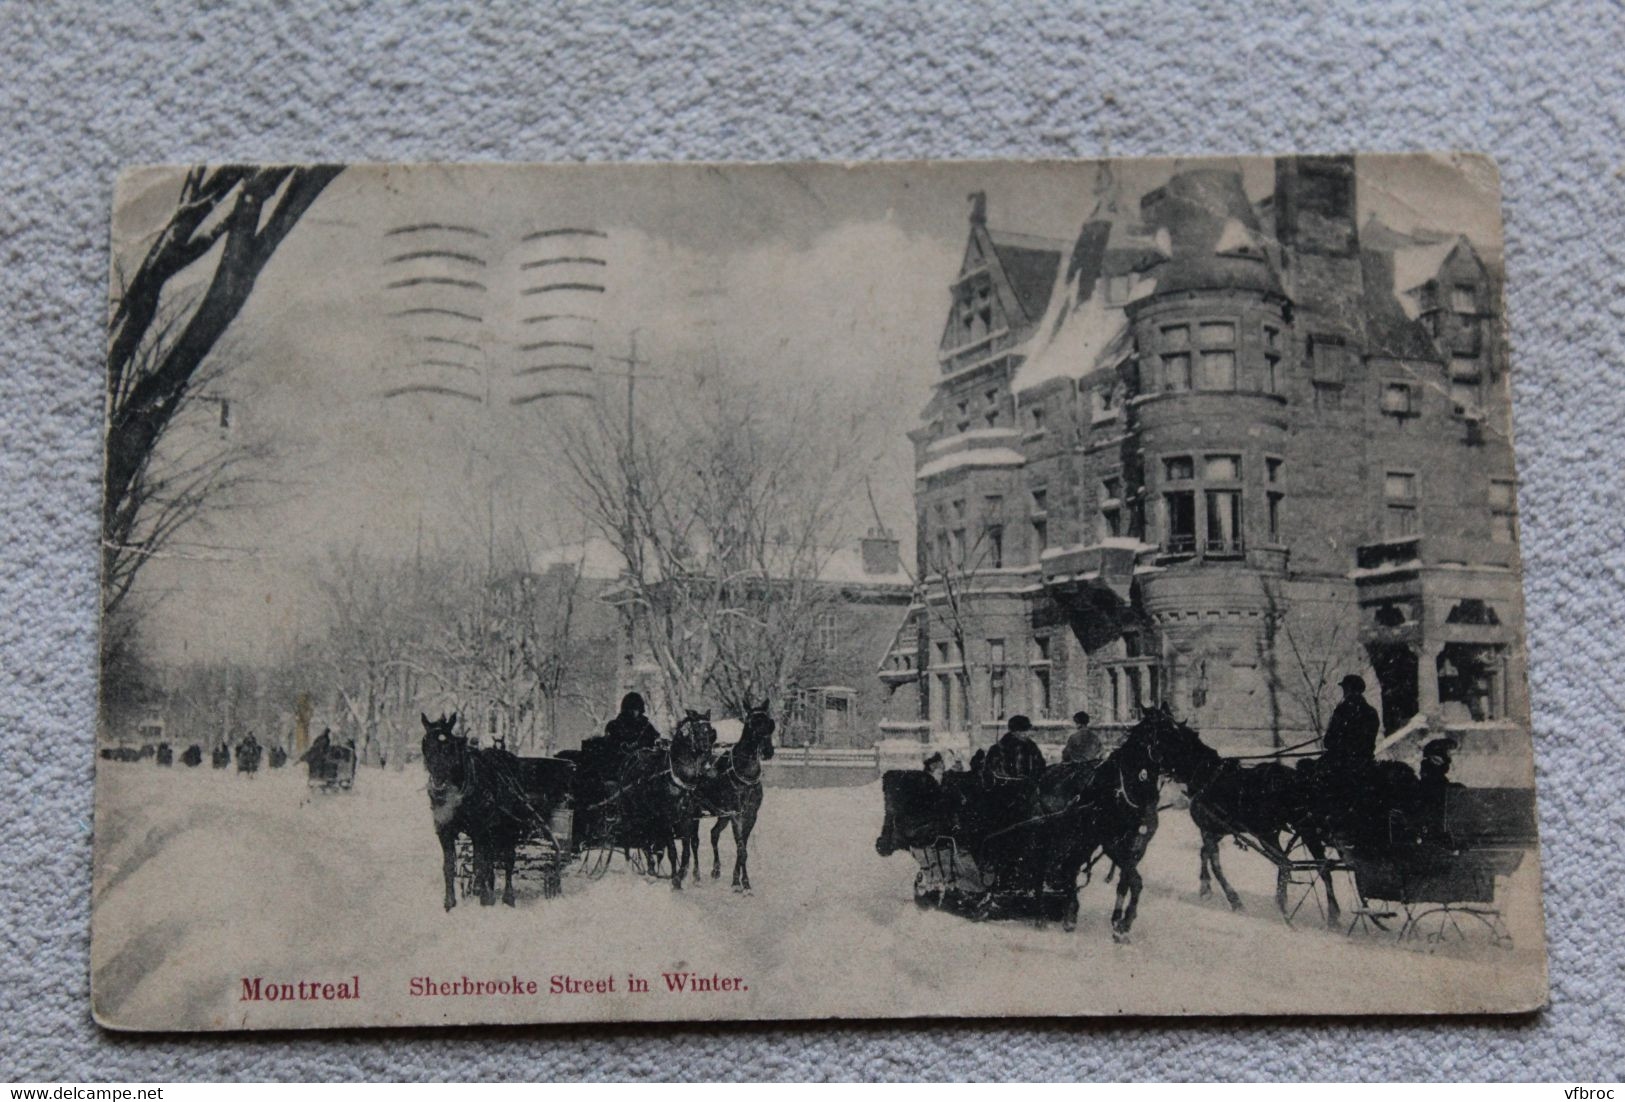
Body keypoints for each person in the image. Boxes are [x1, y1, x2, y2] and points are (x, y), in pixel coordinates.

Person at [1322, 674, 1381, 765]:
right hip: (1365, 761)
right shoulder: (1371, 712)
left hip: (1341, 761)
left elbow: (1328, 741)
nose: (1344, 692)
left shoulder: (1342, 710)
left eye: (1344, 688)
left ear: (1349, 689)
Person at [984, 714, 1046, 782]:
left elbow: (1041, 769)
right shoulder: (998, 749)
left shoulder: (1032, 748)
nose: (1026, 734)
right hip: (1006, 789)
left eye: (1026, 730)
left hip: (1029, 790)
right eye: (1022, 731)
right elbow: (991, 774)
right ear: (1013, 732)